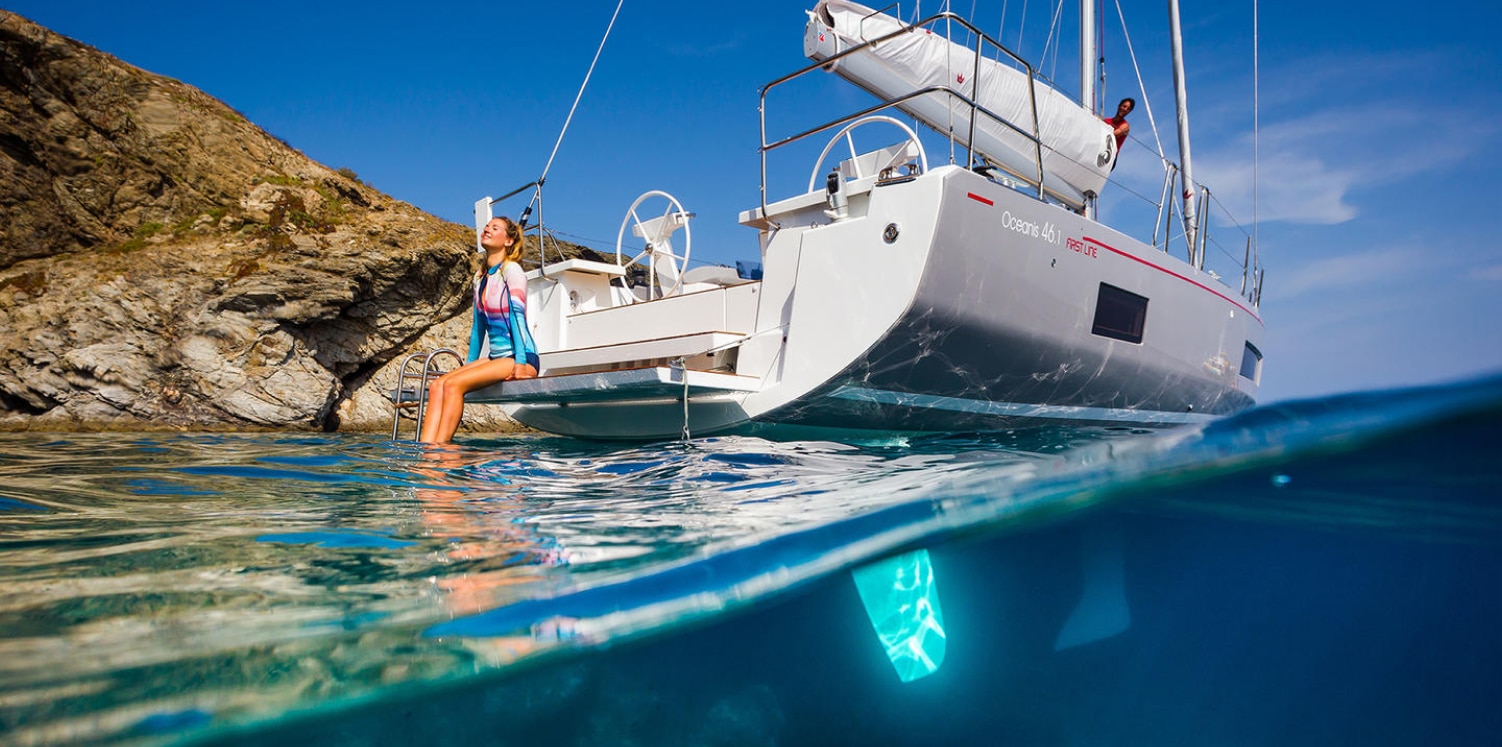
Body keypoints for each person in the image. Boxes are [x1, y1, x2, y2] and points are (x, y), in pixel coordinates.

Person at [419, 216, 539, 444]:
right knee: (437, 385)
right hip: (496, 357)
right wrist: (469, 367)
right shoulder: (480, 278)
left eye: (495, 228)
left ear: (509, 240)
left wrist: (521, 363)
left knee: (454, 385)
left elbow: (518, 318)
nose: (487, 229)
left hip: (520, 357)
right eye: (486, 227)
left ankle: (441, 451)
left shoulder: (512, 271)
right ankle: (424, 452)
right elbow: (478, 328)